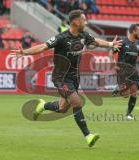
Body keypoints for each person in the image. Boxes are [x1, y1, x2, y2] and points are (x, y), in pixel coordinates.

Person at [11, 9, 122, 147]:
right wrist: (24, 52)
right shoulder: (61, 38)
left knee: (63, 108)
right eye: (84, 19)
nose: (86, 22)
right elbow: (43, 47)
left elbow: (95, 42)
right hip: (61, 77)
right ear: (76, 22)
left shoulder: (83, 35)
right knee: (77, 102)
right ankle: (88, 136)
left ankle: (42, 105)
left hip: (75, 77)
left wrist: (111, 44)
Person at [110, 23, 139, 120]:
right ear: (133, 31)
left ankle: (128, 114)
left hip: (133, 69)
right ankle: (119, 88)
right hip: (123, 69)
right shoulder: (122, 42)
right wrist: (114, 64)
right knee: (125, 94)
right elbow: (111, 52)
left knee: (134, 92)